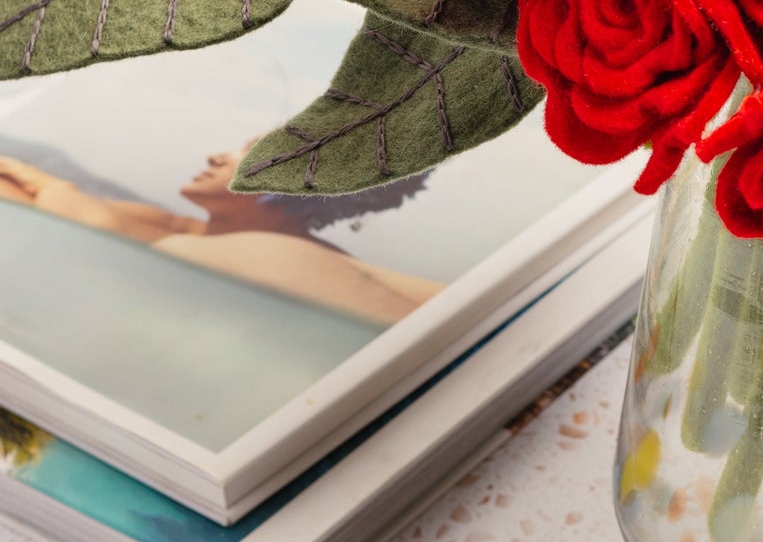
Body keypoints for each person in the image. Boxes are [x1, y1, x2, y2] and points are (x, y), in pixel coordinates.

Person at [0, 150, 442, 326]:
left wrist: (61, 196)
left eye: (252, 148)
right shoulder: (196, 231)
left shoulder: (284, 259)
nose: (218, 153)